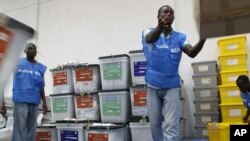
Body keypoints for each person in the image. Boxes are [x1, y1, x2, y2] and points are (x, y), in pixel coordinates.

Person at [141, 5, 206, 141]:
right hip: (153, 85)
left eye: (171, 13)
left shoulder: (180, 37)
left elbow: (192, 52)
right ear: (158, 16)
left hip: (172, 86)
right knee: (155, 124)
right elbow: (149, 39)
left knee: (171, 125)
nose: (168, 14)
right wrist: (160, 27)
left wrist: (203, 38)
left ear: (173, 18)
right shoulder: (149, 32)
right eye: (165, 12)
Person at [11, 43, 48, 141]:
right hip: (21, 100)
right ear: (26, 51)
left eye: (34, 49)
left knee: (31, 130)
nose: (32, 50)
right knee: (19, 129)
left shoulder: (40, 68)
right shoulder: (17, 63)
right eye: (30, 49)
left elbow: (41, 86)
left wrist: (44, 102)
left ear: (36, 52)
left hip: (34, 101)